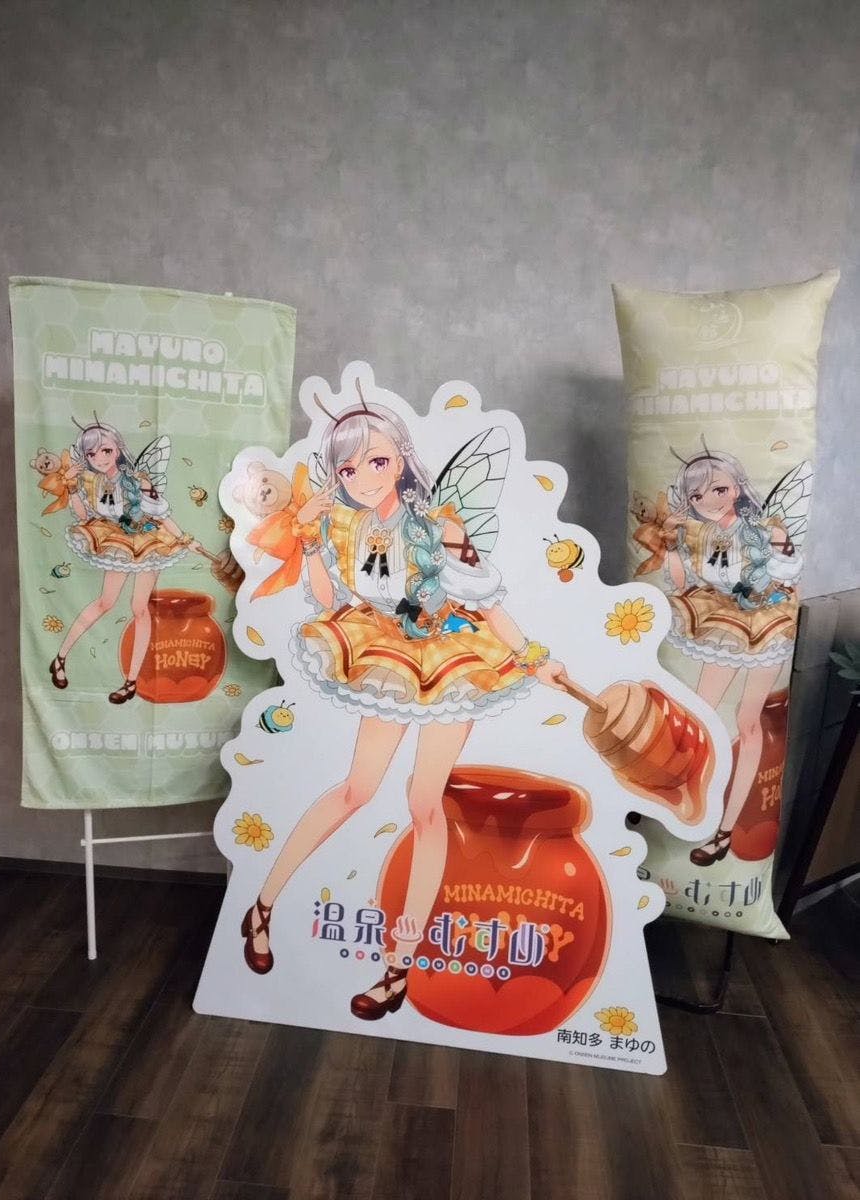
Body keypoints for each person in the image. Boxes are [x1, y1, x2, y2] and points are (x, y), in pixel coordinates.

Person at [241, 388, 569, 1019]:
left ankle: (399, 966)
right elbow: (327, 600)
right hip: (386, 654)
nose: (363, 478)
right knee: (357, 790)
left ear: (401, 458)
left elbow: (485, 602)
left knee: (425, 804)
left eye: (376, 462)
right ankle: (262, 905)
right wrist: (308, 539)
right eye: (348, 469)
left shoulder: (440, 524)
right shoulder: (344, 524)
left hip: (452, 659)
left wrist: (534, 659)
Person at [660, 444, 801, 866]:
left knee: (747, 721)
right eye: (698, 495)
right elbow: (682, 581)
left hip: (767, 623)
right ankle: (691, 815)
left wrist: (780, 548)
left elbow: (787, 573)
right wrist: (670, 544)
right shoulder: (699, 533)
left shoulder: (764, 528)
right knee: (701, 714)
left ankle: (724, 830)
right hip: (723, 620)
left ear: (736, 488)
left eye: (718, 489)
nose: (709, 500)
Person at [48, 418, 203, 703]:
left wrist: (184, 539)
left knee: (139, 608)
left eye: (105, 450)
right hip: (117, 541)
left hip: (149, 541)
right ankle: (60, 658)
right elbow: (83, 516)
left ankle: (131, 682)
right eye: (92, 454)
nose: (99, 458)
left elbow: (160, 514)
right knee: (105, 602)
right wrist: (70, 486)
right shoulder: (92, 481)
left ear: (117, 450)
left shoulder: (138, 480)